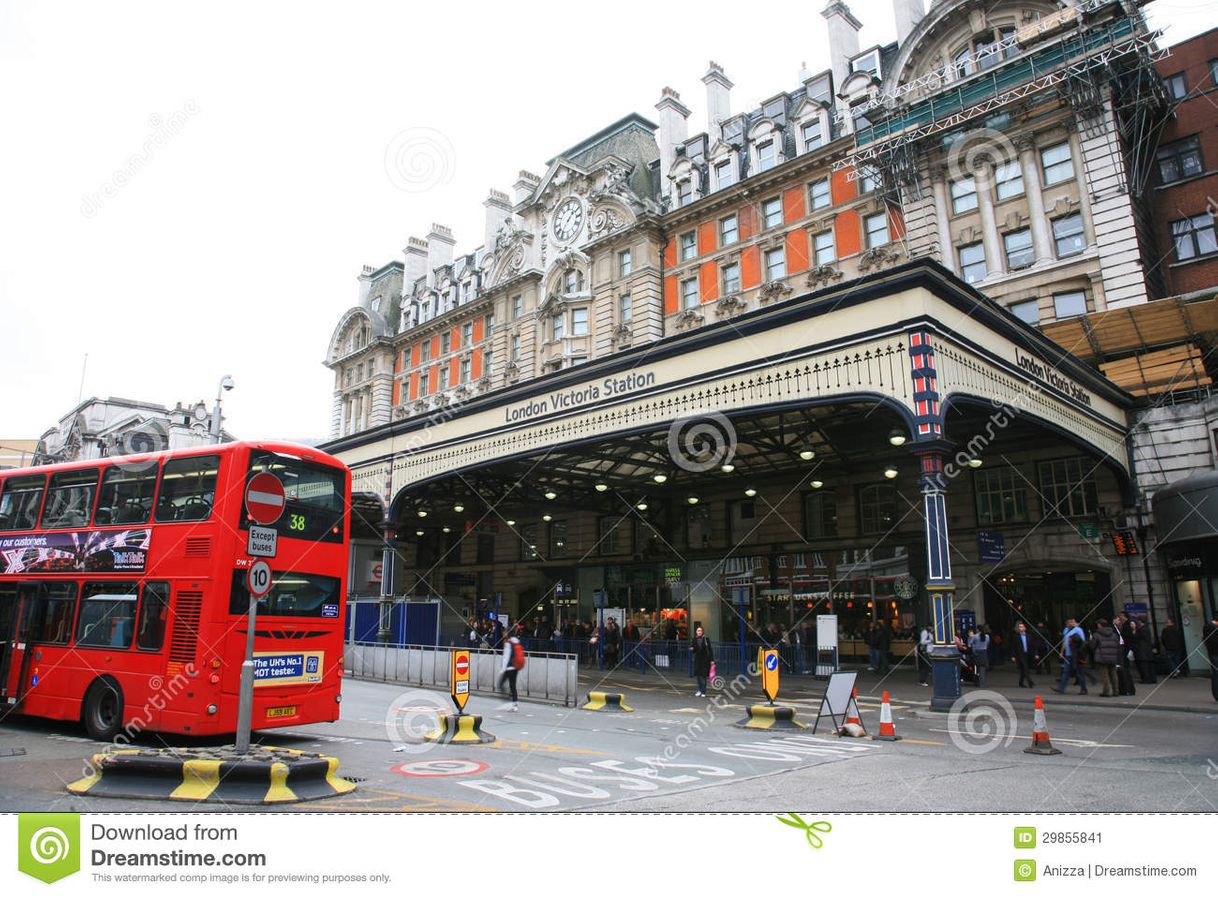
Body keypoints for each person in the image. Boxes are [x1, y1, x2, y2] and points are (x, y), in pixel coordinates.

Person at [1052, 618, 1088, 695]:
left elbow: (1083, 642)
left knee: (1079, 672)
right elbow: (1064, 642)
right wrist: (1061, 652)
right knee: (1066, 671)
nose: (1070, 623)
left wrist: (1081, 654)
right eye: (1069, 622)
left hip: (1076, 655)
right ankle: (1061, 688)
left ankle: (1084, 689)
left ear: (1075, 622)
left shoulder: (1078, 630)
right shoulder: (1066, 630)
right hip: (1068, 654)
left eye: (1072, 622)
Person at [1091, 618, 1122, 697]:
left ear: (1100, 625)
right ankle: (1116, 691)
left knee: (1104, 675)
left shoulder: (1096, 634)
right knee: (1113, 674)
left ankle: (1106, 691)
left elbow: (1092, 645)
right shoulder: (1113, 634)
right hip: (1112, 656)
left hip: (1102, 656)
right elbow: (1118, 645)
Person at [498, 629, 524, 711]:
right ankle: (515, 704)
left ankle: (508, 702)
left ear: (507, 633)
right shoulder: (517, 642)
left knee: (500, 684)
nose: (503, 634)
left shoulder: (508, 643)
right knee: (513, 685)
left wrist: (503, 669)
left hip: (509, 667)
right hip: (516, 667)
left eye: (505, 632)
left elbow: (506, 657)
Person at [1130, 619, 1156, 684]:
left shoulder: (1140, 630)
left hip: (1142, 651)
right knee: (1149, 666)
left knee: (1144, 667)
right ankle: (1152, 678)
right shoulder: (1147, 629)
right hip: (1147, 651)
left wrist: (1134, 633)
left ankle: (1146, 679)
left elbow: (1136, 639)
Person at [691, 624, 714, 697]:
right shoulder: (694, 639)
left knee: (703, 676)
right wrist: (692, 649)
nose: (699, 632)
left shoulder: (706, 639)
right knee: (698, 676)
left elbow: (710, 650)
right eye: (698, 631)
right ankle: (699, 690)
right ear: (696, 632)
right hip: (697, 659)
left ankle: (703, 691)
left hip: (705, 660)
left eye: (700, 630)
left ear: (702, 632)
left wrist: (712, 660)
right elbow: (694, 649)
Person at [1012, 622, 1035, 688]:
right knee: (1026, 668)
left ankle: (1021, 682)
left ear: (1025, 628)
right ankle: (1030, 682)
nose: (1021, 628)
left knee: (1023, 670)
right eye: (1020, 627)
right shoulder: (1016, 636)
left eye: (1022, 627)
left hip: (1027, 654)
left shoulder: (1028, 636)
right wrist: (1013, 656)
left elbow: (1032, 646)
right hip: (1020, 654)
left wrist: (1035, 654)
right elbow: (1013, 647)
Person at [1202, 614, 1218, 702]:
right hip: (1215, 653)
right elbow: (1212, 641)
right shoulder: (1211, 628)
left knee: (1216, 673)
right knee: (1216, 674)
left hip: (1212, 653)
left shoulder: (1207, 627)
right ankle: (1217, 694)